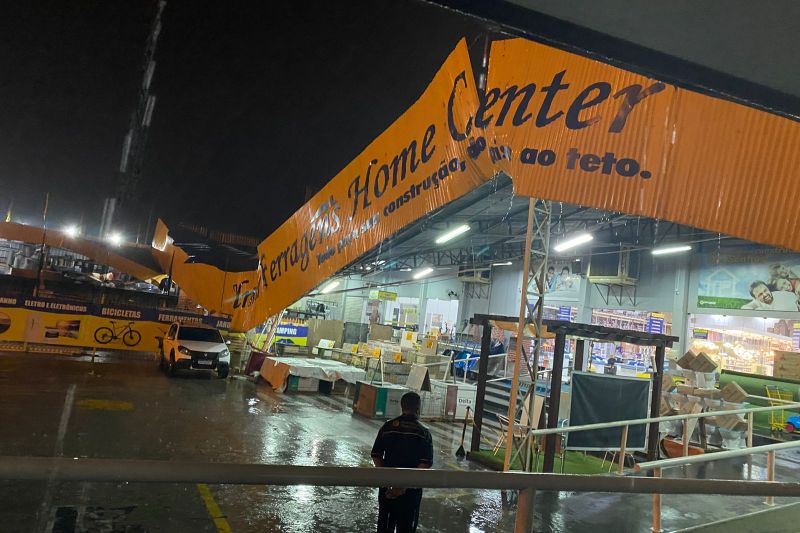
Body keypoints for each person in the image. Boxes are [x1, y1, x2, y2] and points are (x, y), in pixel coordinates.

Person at [371, 392, 433, 533]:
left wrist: (388, 483)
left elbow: (376, 455)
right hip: (410, 493)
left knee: (384, 526)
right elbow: (425, 464)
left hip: (387, 491)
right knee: (406, 527)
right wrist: (403, 487)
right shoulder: (423, 432)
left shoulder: (387, 427)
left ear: (402, 406)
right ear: (418, 408)